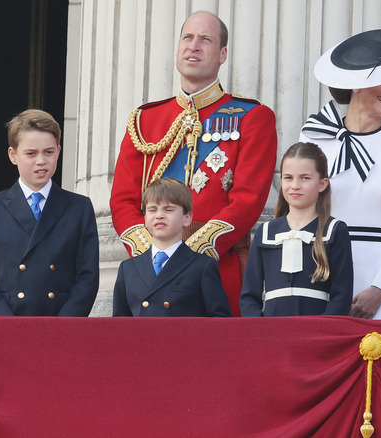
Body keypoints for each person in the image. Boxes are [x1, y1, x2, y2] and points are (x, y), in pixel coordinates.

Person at [110, 11, 277, 317]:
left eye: (205, 40)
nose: (194, 46)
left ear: (222, 54)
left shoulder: (252, 117)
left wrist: (186, 254)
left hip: (216, 271)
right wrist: (156, 252)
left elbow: (248, 201)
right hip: (150, 272)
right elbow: (122, 200)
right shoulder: (145, 120)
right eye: (187, 38)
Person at [300, 27, 381, 319]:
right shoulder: (313, 137)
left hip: (379, 282)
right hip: (318, 272)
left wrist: (380, 288)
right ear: (358, 82)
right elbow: (299, 214)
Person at [0, 109, 99, 316]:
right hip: (7, 326)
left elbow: (87, 277)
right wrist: (6, 325)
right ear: (13, 155)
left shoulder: (79, 207)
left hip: (60, 327)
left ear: (58, 151)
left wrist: (63, 326)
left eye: (48, 152)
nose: (41, 161)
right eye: (31, 153)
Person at [240, 143, 353, 317]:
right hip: (271, 335)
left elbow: (341, 296)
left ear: (322, 184)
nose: (295, 185)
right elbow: (249, 296)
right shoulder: (266, 232)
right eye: (288, 178)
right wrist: (261, 331)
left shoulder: (335, 231)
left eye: (305, 178)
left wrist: (321, 332)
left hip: (316, 335)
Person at [112, 178, 231, 317]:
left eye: (168, 209)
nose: (159, 216)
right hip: (140, 338)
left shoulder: (202, 266)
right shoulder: (128, 269)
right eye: (152, 210)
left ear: (187, 218)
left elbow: (220, 323)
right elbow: (119, 325)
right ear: (144, 217)